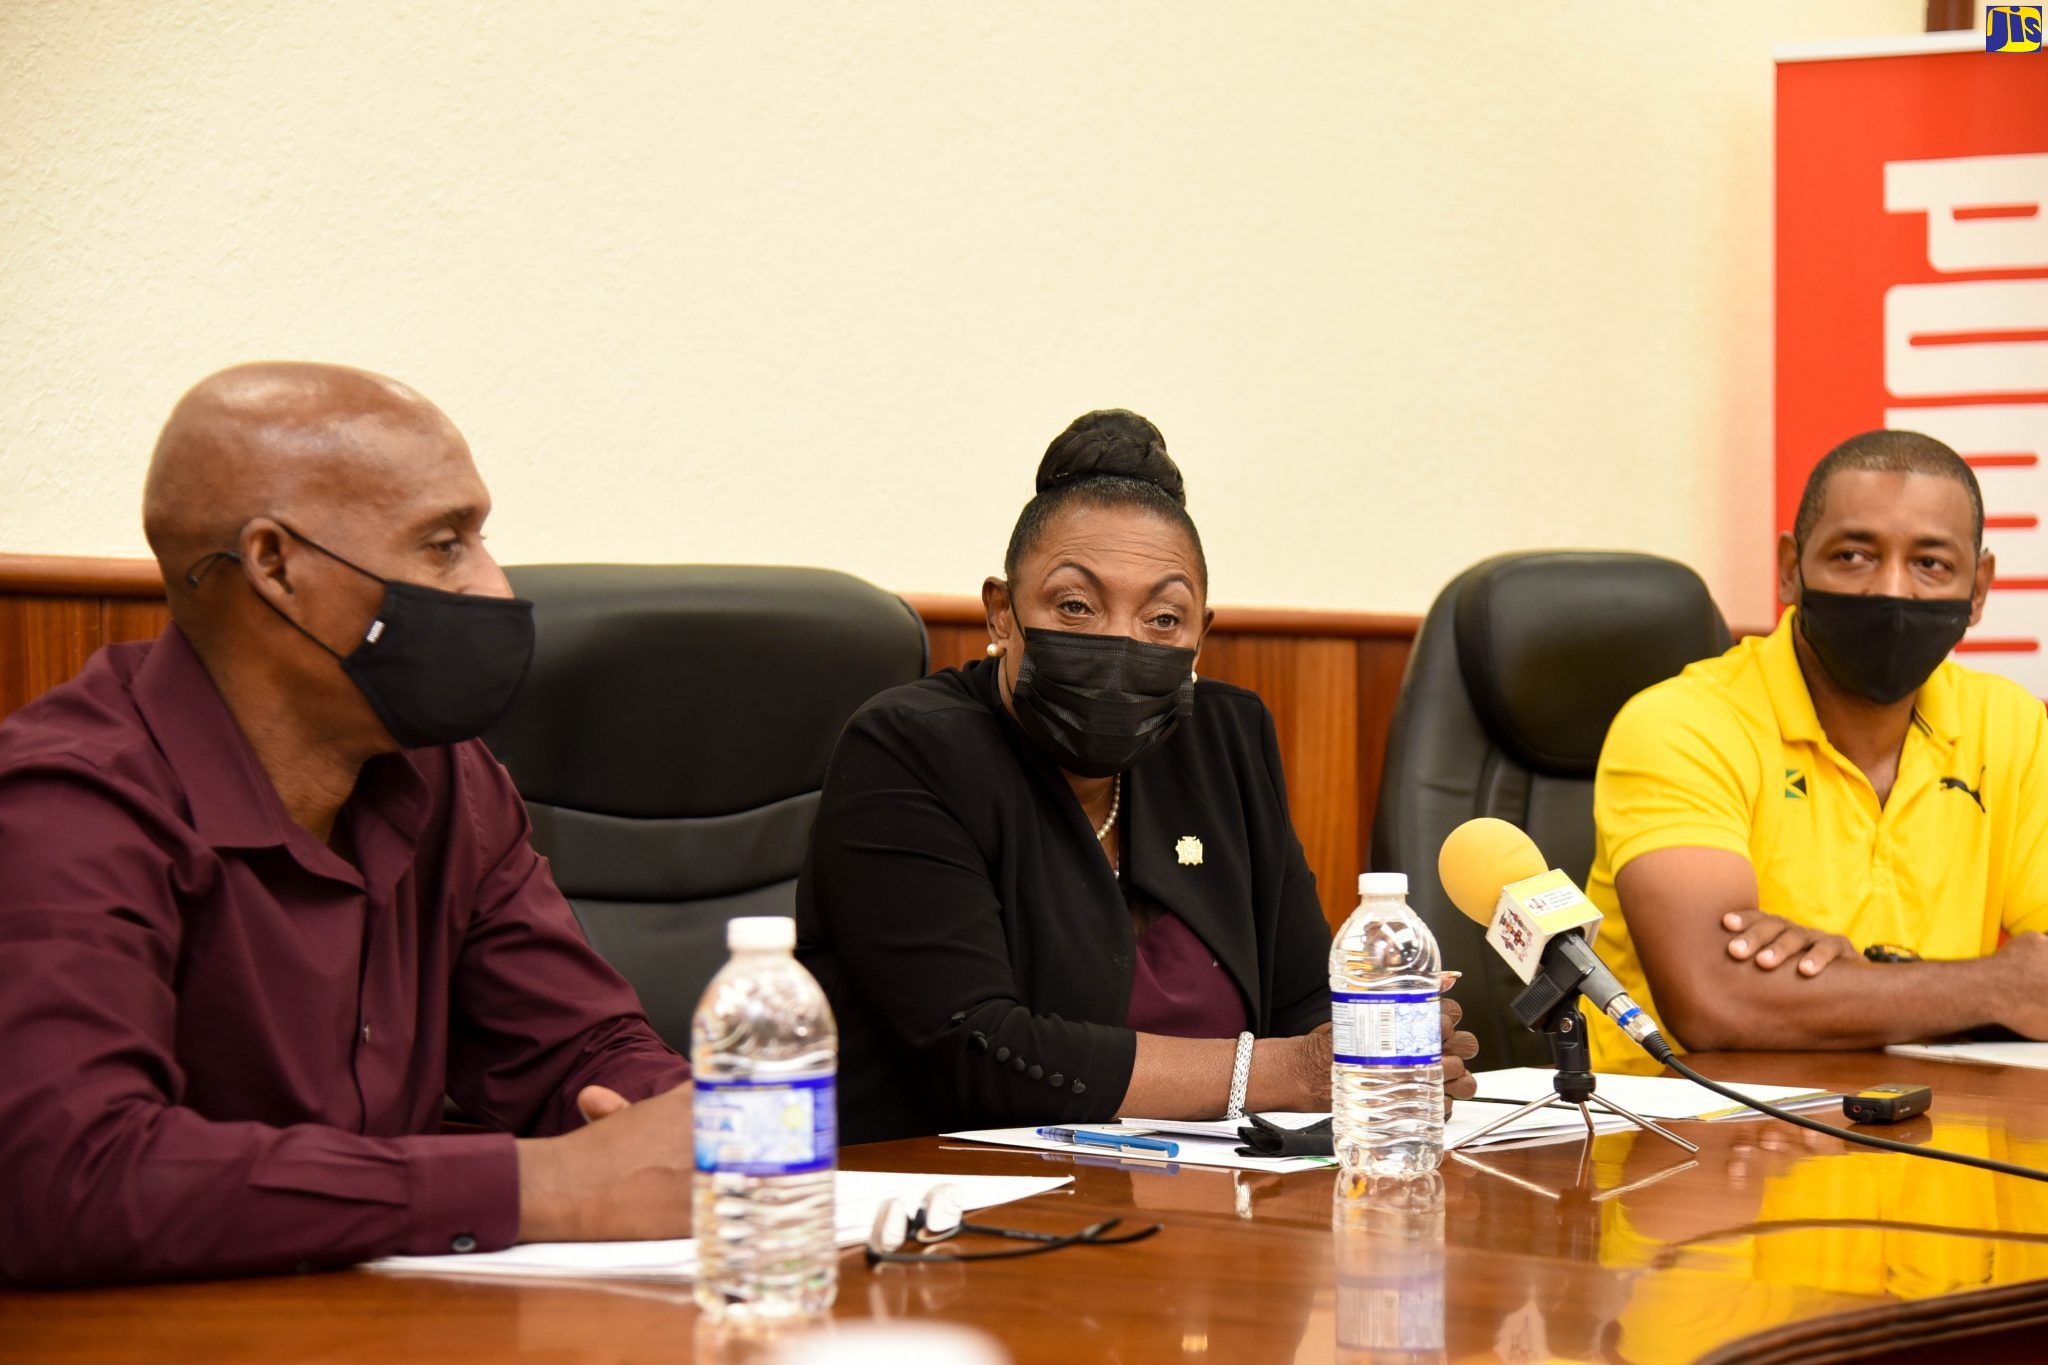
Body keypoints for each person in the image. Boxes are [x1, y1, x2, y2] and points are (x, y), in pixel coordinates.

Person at [0, 363, 695, 1287]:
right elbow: (67, 1175)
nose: (494, 590)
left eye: (481, 539)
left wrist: (690, 1130)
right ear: (276, 566)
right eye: (445, 545)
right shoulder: (70, 802)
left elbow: (577, 1048)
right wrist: (545, 1184)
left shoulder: (447, 776)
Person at [796, 410, 1478, 1144]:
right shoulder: (909, 748)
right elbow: (974, 1049)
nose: (1122, 644)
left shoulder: (1225, 738)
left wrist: (1387, 1060)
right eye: (1076, 606)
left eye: (1163, 619)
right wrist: (1302, 1072)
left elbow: (1303, 999)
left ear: (1201, 635)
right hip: (954, 1191)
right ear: (1001, 614)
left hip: (1211, 1190)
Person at [1584, 429, 2048, 1071]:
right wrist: (1993, 986)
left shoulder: (2011, 724)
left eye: (1931, 564)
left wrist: (1860, 982)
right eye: (1853, 556)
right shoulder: (1681, 725)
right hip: (1684, 1123)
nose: (1891, 590)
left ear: (1979, 588)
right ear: (1790, 569)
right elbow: (1716, 1001)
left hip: (1930, 1113)